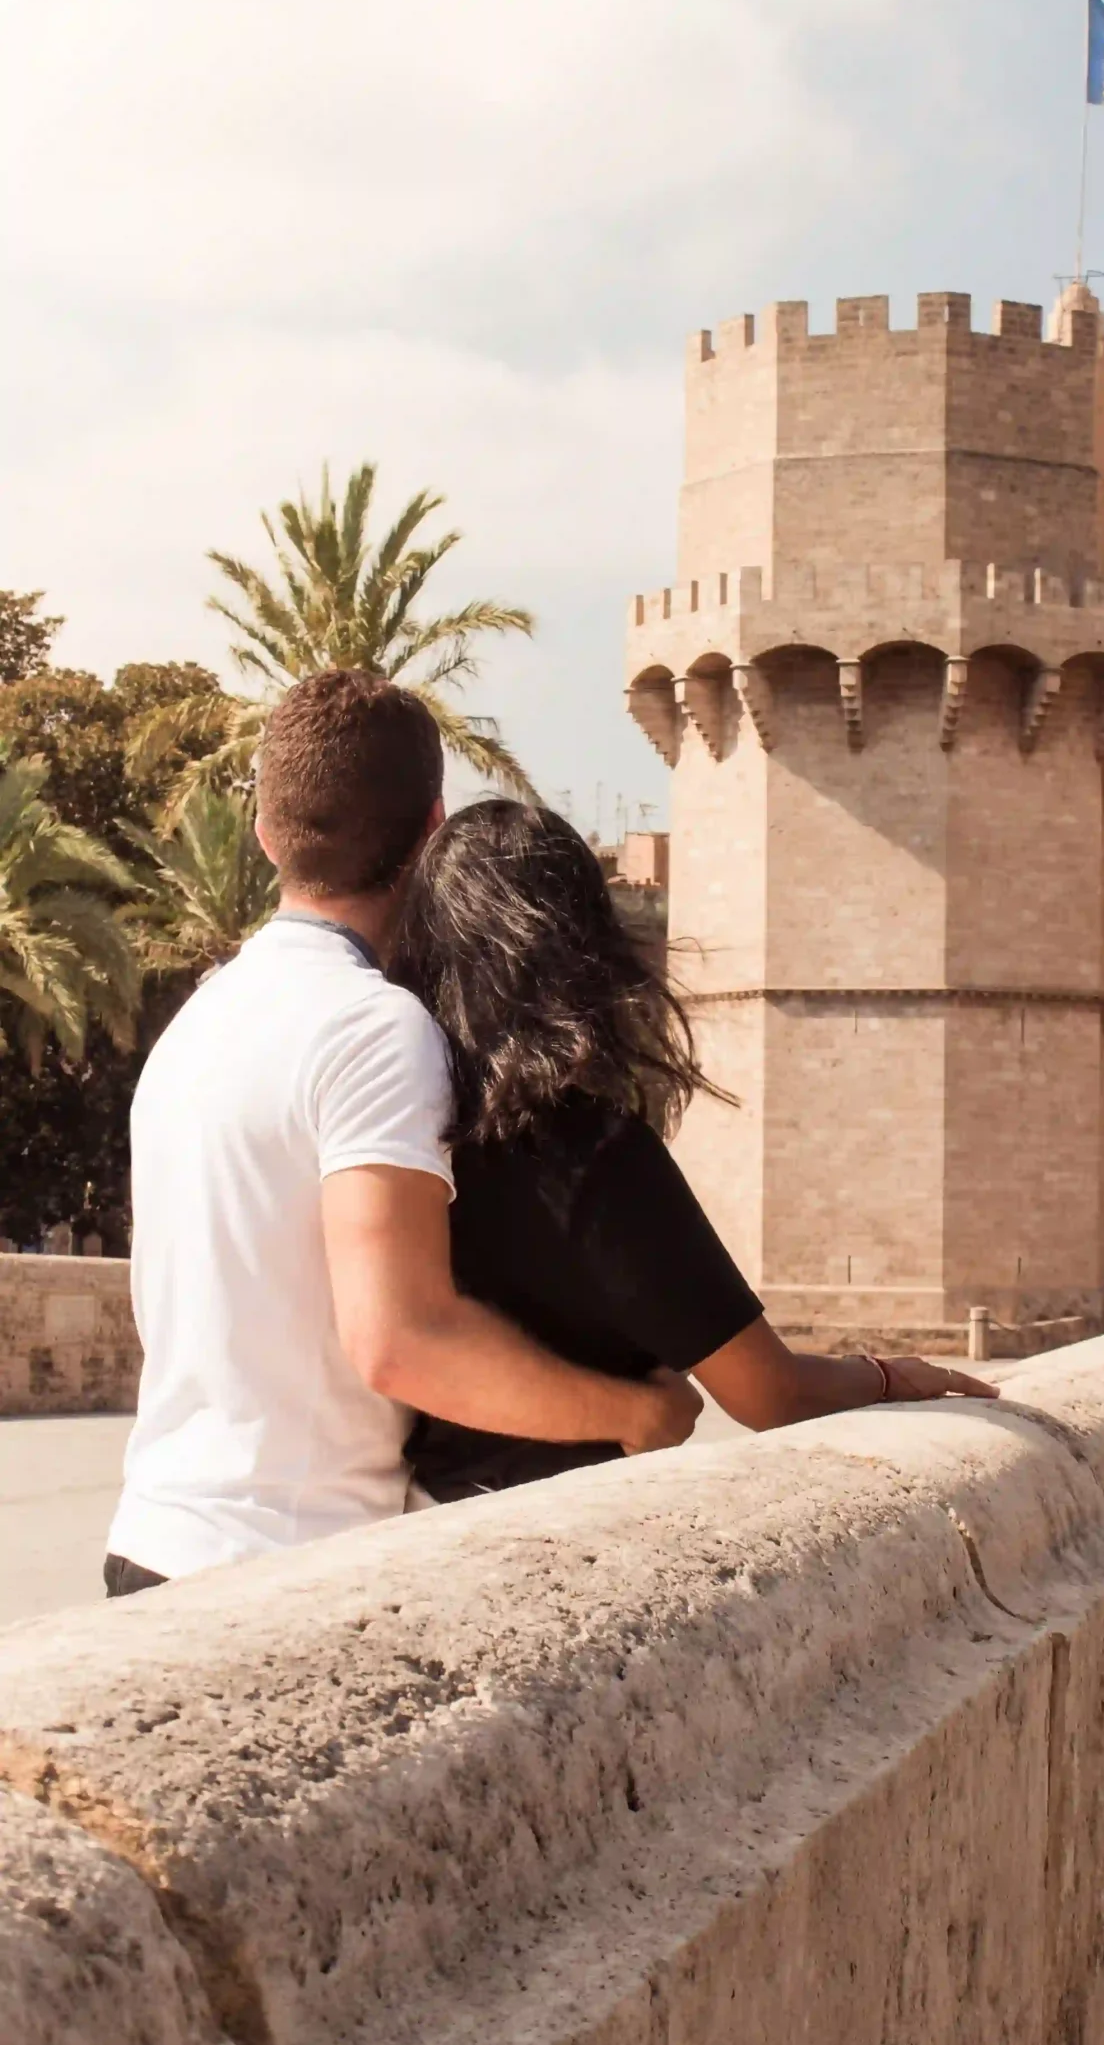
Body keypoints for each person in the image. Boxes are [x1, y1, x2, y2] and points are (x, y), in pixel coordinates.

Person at [104, 673, 701, 1593]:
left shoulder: (199, 1019)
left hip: (150, 1542)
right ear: (431, 831)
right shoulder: (371, 1027)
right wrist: (633, 1412)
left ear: (266, 836)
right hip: (282, 1567)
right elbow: (400, 1339)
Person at [389, 797, 996, 1503]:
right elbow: (770, 1393)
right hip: (567, 1511)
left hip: (425, 1509)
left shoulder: (400, 1129)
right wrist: (887, 1375)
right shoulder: (590, 1154)